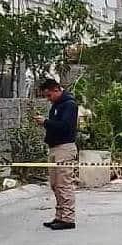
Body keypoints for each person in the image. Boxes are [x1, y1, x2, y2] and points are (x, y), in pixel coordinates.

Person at [34, 79, 79, 230]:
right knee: (55, 185)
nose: (48, 99)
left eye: (49, 95)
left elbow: (65, 127)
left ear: (56, 90)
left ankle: (68, 218)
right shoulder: (56, 105)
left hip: (64, 149)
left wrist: (45, 122)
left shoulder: (69, 105)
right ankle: (59, 216)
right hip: (54, 148)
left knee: (64, 184)